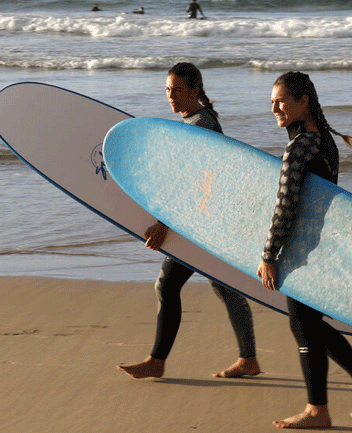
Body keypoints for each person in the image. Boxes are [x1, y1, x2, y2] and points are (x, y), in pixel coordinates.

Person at [257, 72, 352, 429]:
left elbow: (286, 205)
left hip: (303, 248)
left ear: (303, 102)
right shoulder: (325, 141)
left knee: (304, 324)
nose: (273, 108)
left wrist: (269, 254)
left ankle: (319, 410)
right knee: (309, 324)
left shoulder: (300, 146)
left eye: (280, 101)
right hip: (322, 244)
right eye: (272, 101)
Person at [117, 63, 261, 380]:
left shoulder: (200, 126)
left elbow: (196, 184)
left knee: (168, 285)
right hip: (207, 222)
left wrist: (164, 224)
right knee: (224, 287)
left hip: (202, 225)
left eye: (178, 90)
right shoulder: (198, 121)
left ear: (194, 92)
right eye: (167, 90)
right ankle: (248, 359)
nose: (171, 96)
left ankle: (157, 361)